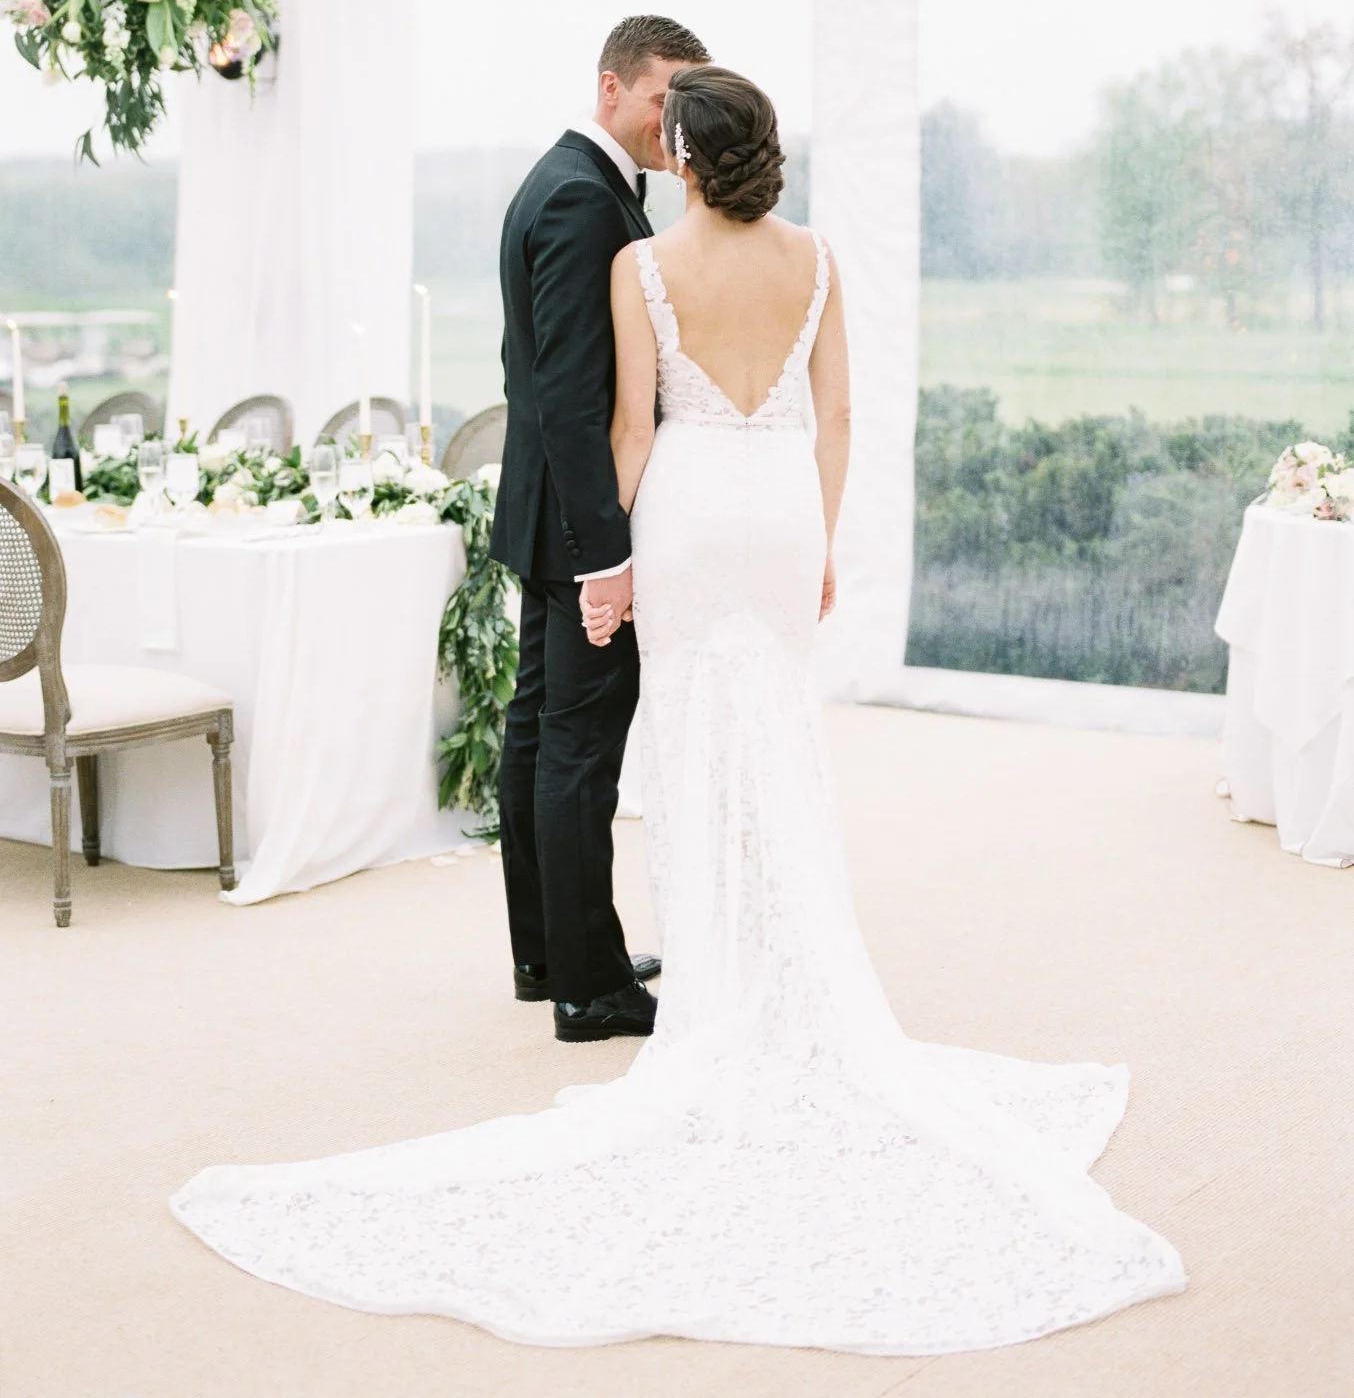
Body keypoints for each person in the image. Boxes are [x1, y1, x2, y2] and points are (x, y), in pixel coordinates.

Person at [172, 67, 1185, 1354]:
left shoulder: (646, 263)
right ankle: (776, 971)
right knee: (778, 737)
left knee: (693, 746)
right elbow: (839, 414)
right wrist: (817, 539)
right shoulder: (817, 257)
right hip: (777, 516)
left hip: (693, 515)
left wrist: (617, 568)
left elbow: (631, 432)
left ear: (684, 161)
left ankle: (715, 993)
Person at [488, 14, 709, 1041]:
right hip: (580, 527)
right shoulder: (583, 200)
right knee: (576, 751)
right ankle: (588, 987)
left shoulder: (571, 182)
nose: (678, 118)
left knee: (539, 738)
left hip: (543, 513)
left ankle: (556, 951)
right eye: (666, 96)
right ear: (612, 88)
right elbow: (575, 400)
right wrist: (606, 553)